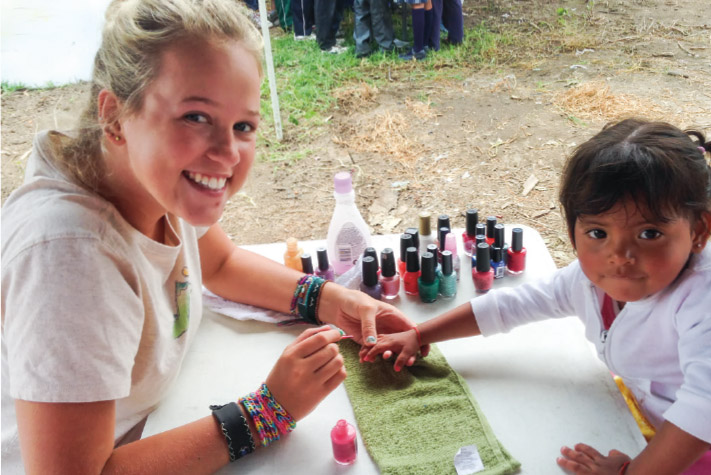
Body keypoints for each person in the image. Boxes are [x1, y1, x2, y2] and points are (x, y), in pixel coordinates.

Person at [0, 0, 417, 473]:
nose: (227, 154)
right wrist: (267, 411)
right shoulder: (68, 259)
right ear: (115, 115)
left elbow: (220, 265)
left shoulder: (153, 182)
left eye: (244, 126)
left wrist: (334, 301)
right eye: (196, 117)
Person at [361, 119, 711, 474]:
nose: (619, 255)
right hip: (652, 410)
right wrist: (420, 335)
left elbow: (710, 407)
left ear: (699, 230)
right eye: (598, 233)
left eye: (649, 233)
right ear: (572, 229)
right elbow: (513, 304)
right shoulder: (587, 278)